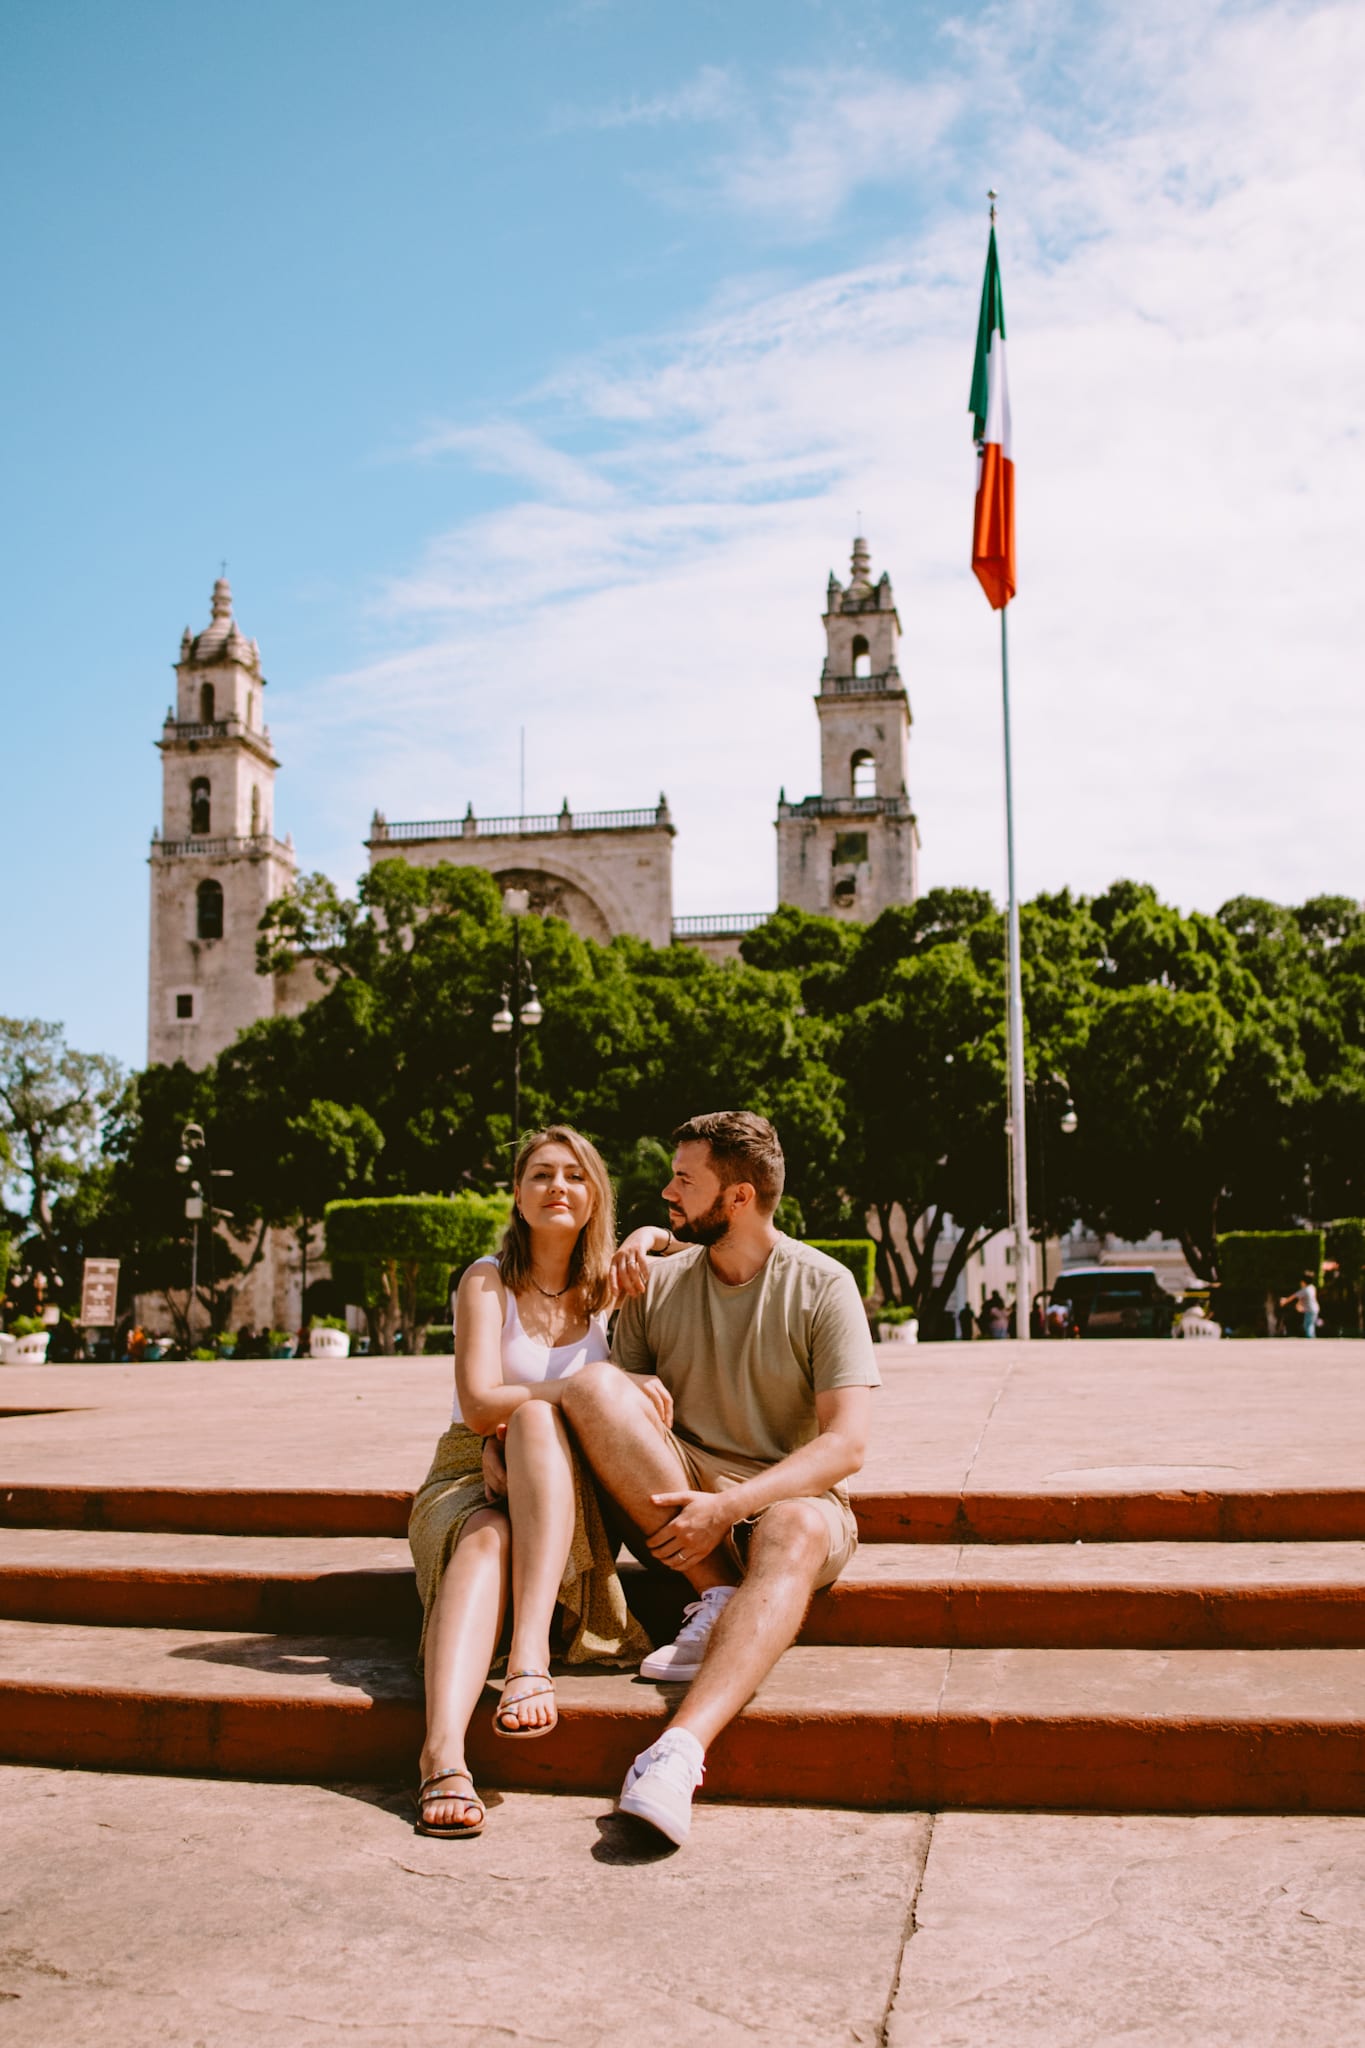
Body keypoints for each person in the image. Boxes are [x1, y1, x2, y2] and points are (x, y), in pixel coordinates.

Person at [559, 1110, 879, 1848]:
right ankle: (716, 1591)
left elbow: (846, 1445)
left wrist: (731, 1505)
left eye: (684, 1179)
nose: (666, 1192)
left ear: (737, 1197)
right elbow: (608, 1393)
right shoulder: (657, 1282)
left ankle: (676, 1753)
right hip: (680, 1483)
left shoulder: (822, 1284)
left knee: (797, 1525)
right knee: (592, 1388)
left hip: (786, 1495)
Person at [407, 1126, 648, 1840]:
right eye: (540, 1175)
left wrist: (648, 1231)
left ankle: (525, 1656)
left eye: (574, 1176)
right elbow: (481, 1401)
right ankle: (444, 1750)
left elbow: (691, 1248)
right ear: (517, 1194)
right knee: (484, 1533)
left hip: (563, 1480)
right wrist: (598, 1387)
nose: (557, 1188)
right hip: (466, 1468)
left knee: (541, 1424)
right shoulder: (486, 1279)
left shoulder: (611, 1285)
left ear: (594, 1193)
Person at [1280, 1273, 1320, 1339]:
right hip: (1314, 1308)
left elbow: (1294, 1296)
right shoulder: (1312, 1288)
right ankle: (1312, 1337)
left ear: (1303, 1282)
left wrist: (1285, 1301)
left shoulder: (1305, 1290)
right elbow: (1303, 1298)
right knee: (1309, 1324)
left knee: (1308, 1325)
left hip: (1310, 1310)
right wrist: (1299, 1304)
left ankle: (1310, 1338)